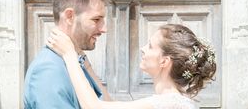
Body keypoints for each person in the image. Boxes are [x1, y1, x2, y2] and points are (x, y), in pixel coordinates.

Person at [47, 23, 216, 109]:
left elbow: (94, 107)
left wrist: (69, 54)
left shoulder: (170, 103)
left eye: (150, 46)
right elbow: (110, 104)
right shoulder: (175, 101)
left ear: (164, 61)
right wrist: (85, 63)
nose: (143, 49)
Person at [24, 0, 111, 108]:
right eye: (96, 19)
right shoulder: (48, 71)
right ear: (70, 16)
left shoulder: (75, 61)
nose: (104, 29)